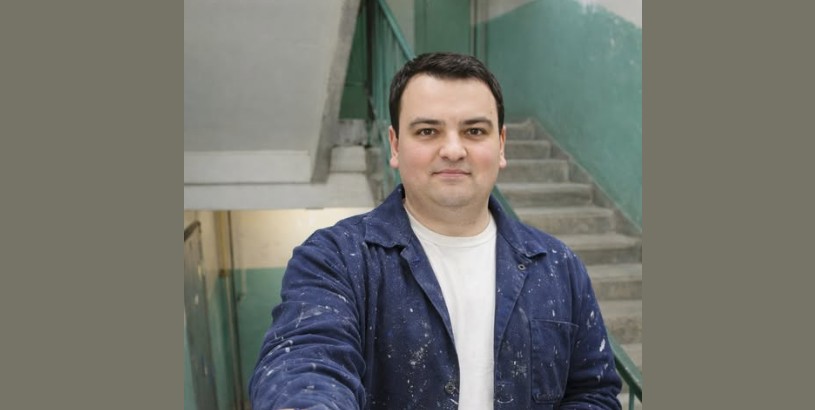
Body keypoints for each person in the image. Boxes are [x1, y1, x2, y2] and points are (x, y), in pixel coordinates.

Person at [249, 52, 622, 409]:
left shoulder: (559, 266)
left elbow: (592, 392)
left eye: (474, 130)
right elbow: (306, 359)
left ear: (501, 145)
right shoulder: (335, 259)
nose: (454, 150)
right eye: (428, 131)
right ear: (395, 145)